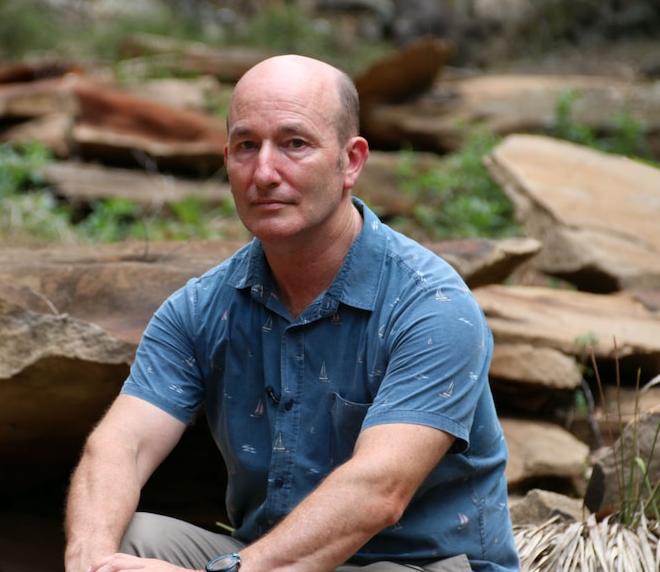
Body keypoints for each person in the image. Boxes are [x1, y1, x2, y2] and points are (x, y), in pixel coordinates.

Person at [64, 54, 519, 572]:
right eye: (246, 146)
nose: (264, 172)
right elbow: (121, 444)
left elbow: (379, 491)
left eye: (294, 144)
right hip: (269, 560)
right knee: (130, 539)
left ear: (351, 161)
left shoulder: (432, 306)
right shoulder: (199, 307)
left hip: (411, 565)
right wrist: (92, 561)